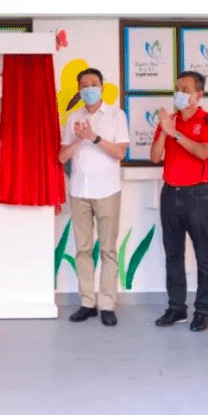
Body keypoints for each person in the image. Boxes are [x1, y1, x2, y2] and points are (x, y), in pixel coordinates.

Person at [150, 71, 208, 332]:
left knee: (203, 255)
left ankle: (203, 311)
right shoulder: (169, 120)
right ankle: (176, 308)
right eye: (177, 88)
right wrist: (165, 131)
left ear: (198, 95)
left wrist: (177, 135)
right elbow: (155, 157)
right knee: (173, 254)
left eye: (185, 89)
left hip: (197, 195)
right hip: (170, 193)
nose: (179, 93)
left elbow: (204, 152)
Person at [58, 68, 129, 327]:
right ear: (79, 90)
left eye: (94, 84)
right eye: (85, 85)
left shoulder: (115, 115)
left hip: (107, 191)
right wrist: (79, 140)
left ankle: (107, 304)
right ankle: (87, 303)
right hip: (79, 191)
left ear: (102, 87)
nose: (89, 88)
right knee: (83, 250)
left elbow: (120, 153)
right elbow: (62, 157)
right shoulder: (72, 117)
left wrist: (94, 137)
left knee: (108, 250)